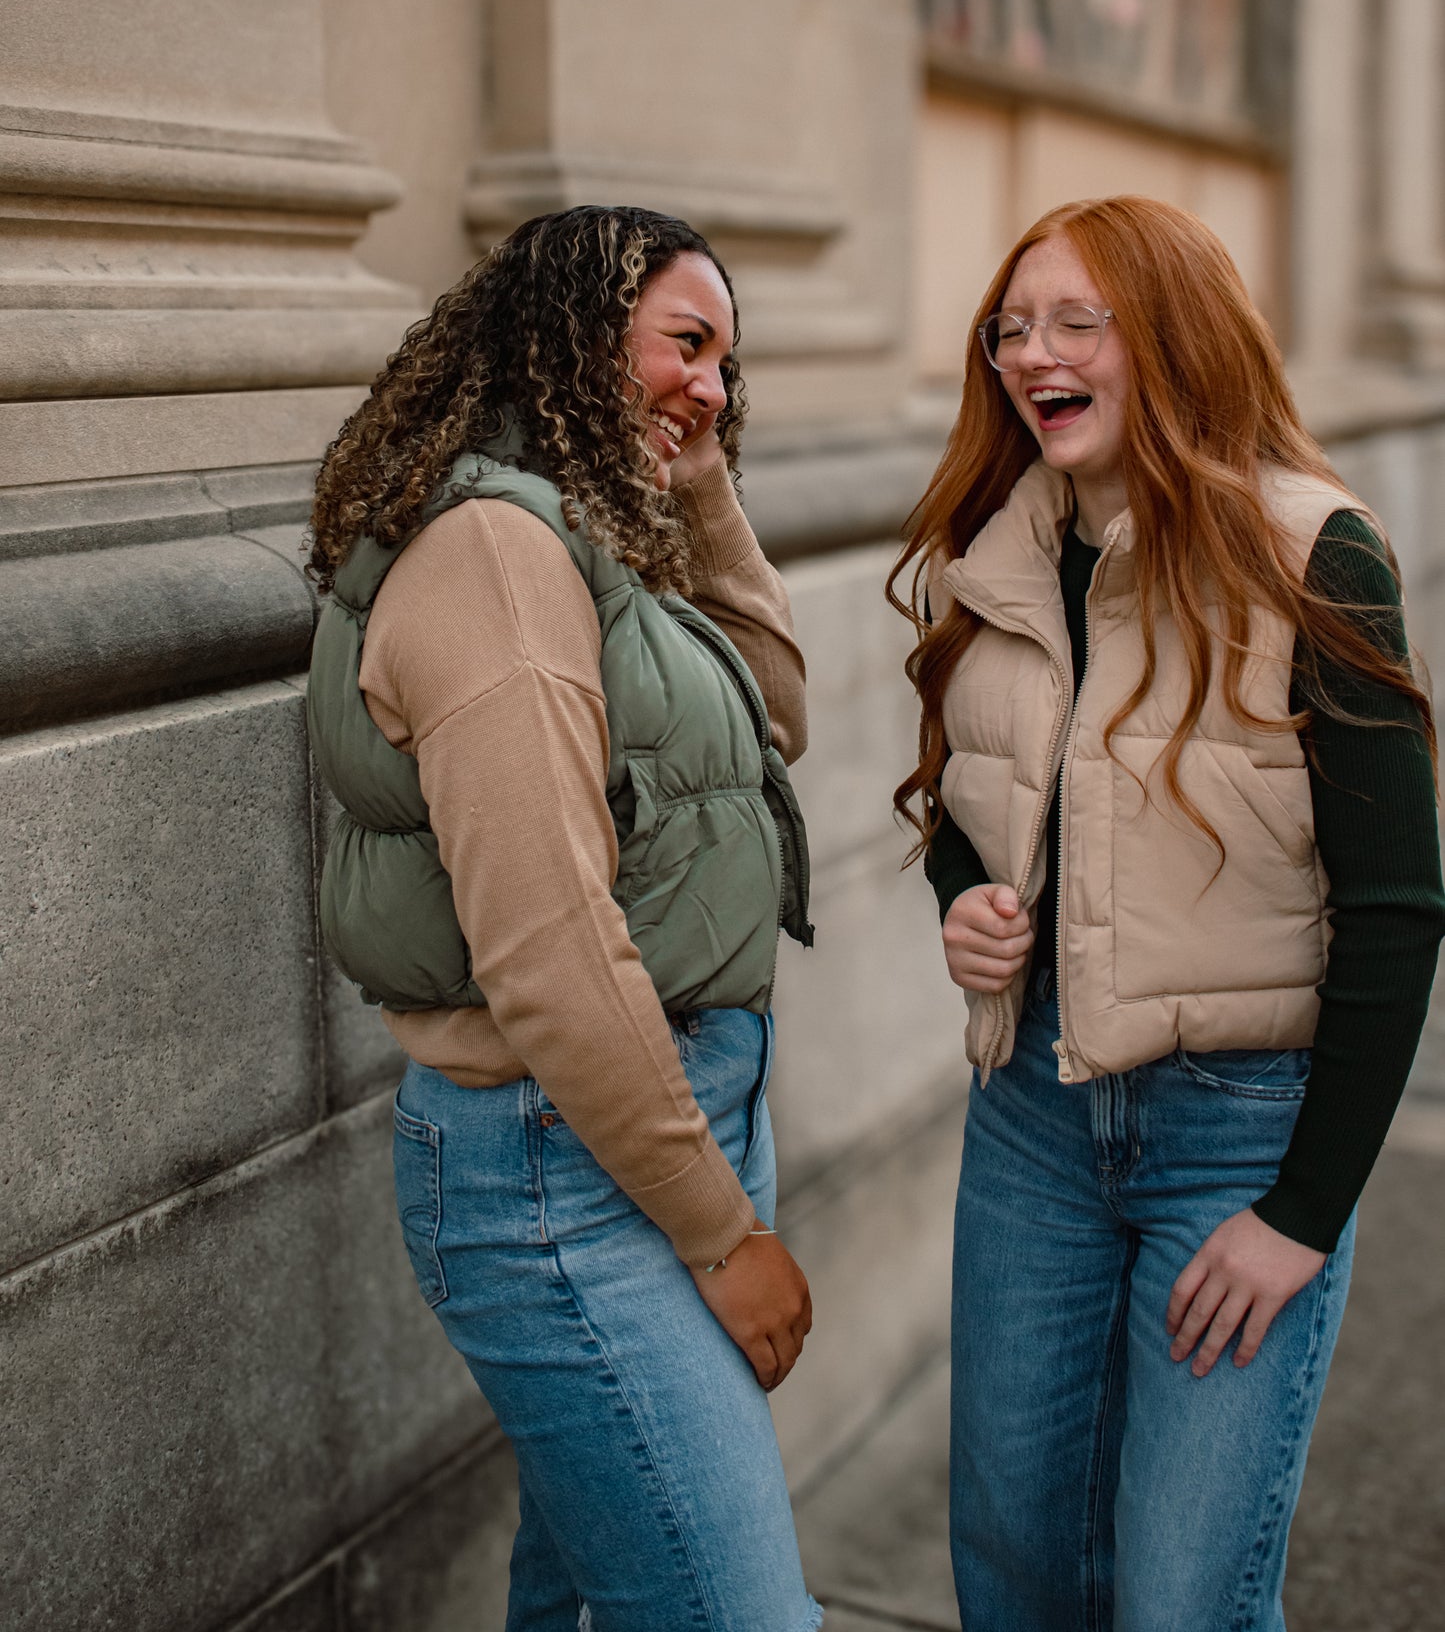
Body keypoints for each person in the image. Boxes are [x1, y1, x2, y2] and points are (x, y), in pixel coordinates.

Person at [889, 196, 1444, 1632]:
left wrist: (1300, 1215)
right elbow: (961, 799)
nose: (1030, 352)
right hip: (1030, 1119)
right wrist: (967, 909)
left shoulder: (1313, 555)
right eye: (1010, 326)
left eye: (1077, 319)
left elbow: (1395, 910)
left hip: (1238, 1139)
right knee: (1012, 1579)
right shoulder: (992, 551)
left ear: (1176, 335)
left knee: (1183, 1600)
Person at [305, 206, 823, 1632]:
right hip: (565, 1168)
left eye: (728, 360)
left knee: (593, 1598)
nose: (710, 383)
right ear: (569, 337)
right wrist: (722, 1237)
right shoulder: (492, 557)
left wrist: (705, 489)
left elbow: (779, 713)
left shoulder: (584, 528)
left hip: (641, 1123)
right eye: (684, 344)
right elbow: (542, 951)